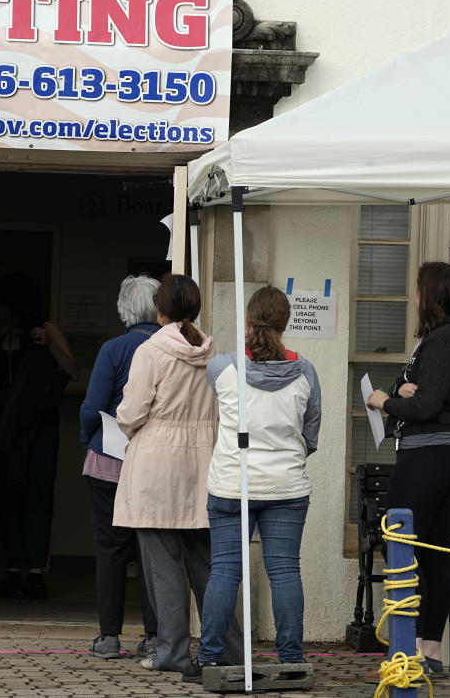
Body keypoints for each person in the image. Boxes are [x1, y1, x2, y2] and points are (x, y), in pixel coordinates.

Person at [184, 285, 321, 684]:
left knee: (225, 571)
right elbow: (310, 435)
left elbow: (211, 366)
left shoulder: (223, 368)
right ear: (286, 322)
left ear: (247, 320)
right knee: (284, 571)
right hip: (287, 486)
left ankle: (209, 658)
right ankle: (292, 661)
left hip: (232, 482)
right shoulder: (306, 372)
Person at [113, 273, 243, 674]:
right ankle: (229, 649)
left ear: (159, 310)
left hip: (156, 462)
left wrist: (125, 422)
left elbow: (132, 412)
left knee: (161, 564)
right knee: (209, 563)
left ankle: (172, 652)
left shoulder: (150, 350)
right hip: (204, 461)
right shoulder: (214, 350)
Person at [367, 261, 450, 676]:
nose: (413, 297)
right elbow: (425, 394)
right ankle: (428, 651)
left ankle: (410, 646)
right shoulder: (443, 341)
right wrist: (402, 390)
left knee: (400, 543)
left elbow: (428, 407)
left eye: (416, 289)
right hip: (436, 451)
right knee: (431, 549)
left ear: (428, 294)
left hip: (430, 451)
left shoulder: (445, 341)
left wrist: (384, 401)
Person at [0, 272, 77, 600]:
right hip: (8, 426)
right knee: (9, 499)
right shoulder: (4, 335)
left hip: (37, 427)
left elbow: (71, 370)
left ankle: (34, 573)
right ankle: (13, 571)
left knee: (37, 498)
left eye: (1, 303)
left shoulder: (47, 329)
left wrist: (50, 343)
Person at [78, 274, 162, 660]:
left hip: (109, 461)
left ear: (123, 309)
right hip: (156, 463)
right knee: (151, 550)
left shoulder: (114, 348)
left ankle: (109, 637)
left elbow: (91, 405)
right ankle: (155, 635)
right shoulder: (169, 348)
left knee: (110, 550)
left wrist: (88, 438)